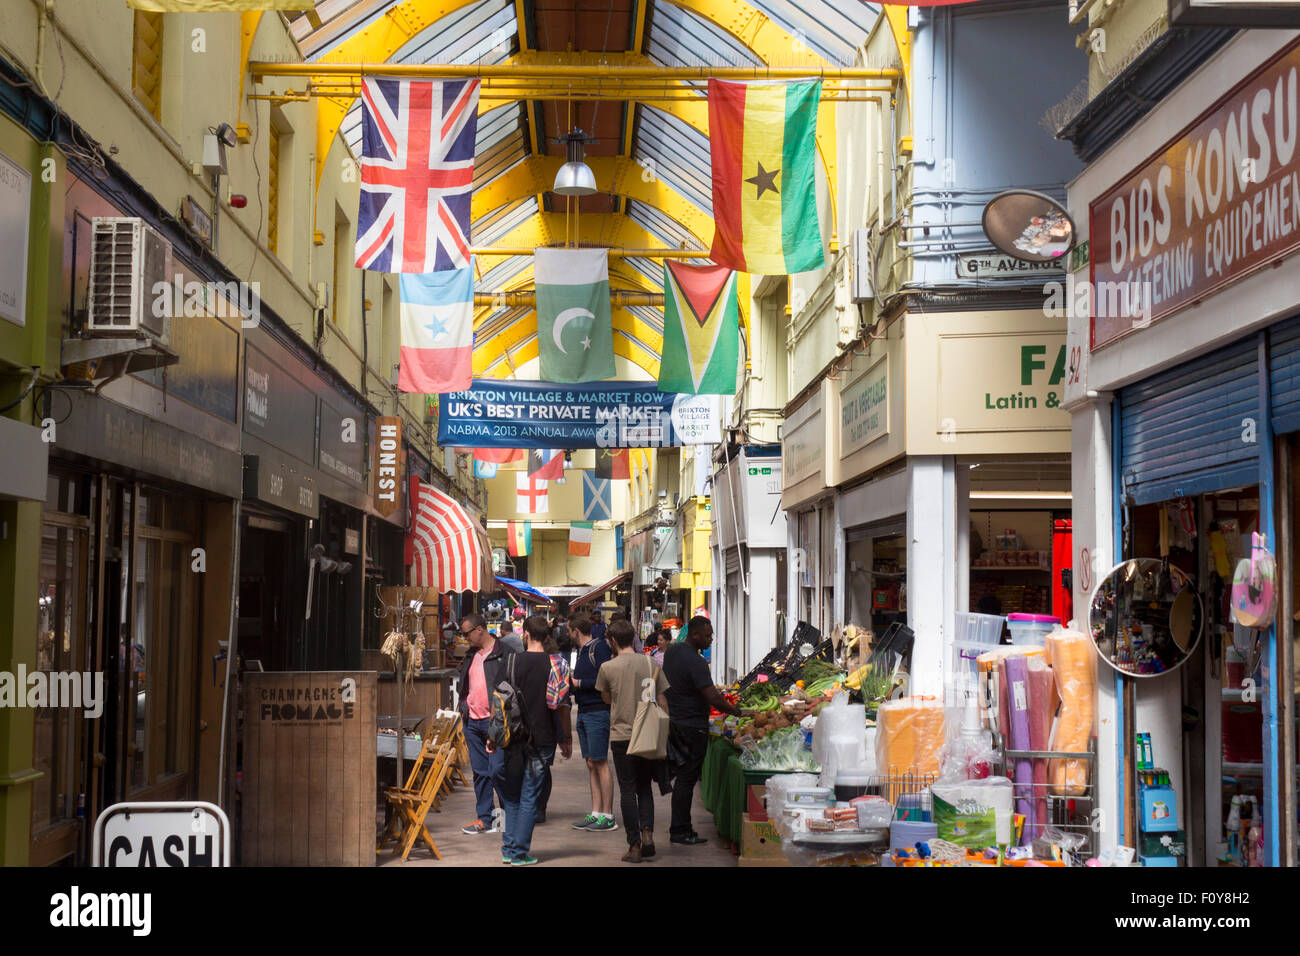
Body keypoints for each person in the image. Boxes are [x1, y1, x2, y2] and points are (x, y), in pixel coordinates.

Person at [491, 615, 573, 865]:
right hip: (542, 739)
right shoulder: (556, 665)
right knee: (530, 796)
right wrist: (565, 737)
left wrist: (491, 736)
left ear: (525, 633)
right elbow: (558, 705)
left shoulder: (511, 660)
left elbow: (498, 702)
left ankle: (509, 848)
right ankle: (518, 853)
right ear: (548, 635)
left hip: (513, 738)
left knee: (512, 795)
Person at [662, 615, 744, 846]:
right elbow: (712, 697)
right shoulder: (696, 662)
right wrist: (737, 712)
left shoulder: (672, 651)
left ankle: (680, 828)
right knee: (687, 779)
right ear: (695, 635)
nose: (711, 640)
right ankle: (680, 830)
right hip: (692, 726)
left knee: (682, 778)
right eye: (707, 636)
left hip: (675, 722)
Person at [596, 619, 670, 863]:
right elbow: (661, 700)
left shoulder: (607, 667)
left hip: (622, 735)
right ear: (634, 638)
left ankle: (634, 845)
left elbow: (606, 699)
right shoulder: (650, 662)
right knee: (644, 787)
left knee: (627, 790)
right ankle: (648, 833)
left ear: (613, 641)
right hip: (648, 734)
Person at [455, 614, 514, 835]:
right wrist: (463, 707)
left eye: (466, 633)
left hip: (496, 723)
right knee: (480, 772)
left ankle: (506, 816)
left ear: (480, 629)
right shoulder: (471, 654)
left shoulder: (504, 653)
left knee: (498, 769)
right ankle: (485, 818)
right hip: (472, 721)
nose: (464, 637)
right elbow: (466, 685)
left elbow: (512, 686)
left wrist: (502, 714)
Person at [567, 612, 617, 831]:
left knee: (600, 762)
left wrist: (580, 684)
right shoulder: (582, 650)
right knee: (591, 763)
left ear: (576, 631)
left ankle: (608, 815)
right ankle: (596, 812)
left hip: (598, 711)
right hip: (585, 710)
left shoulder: (599, 648)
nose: (567, 634)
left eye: (568, 630)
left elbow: (606, 678)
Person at [534, 632, 571, 823]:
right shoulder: (561, 665)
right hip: (551, 720)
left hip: (537, 722)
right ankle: (539, 808)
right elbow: (563, 704)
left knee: (537, 768)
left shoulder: (533, 663)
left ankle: (535, 808)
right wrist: (565, 737)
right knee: (543, 767)